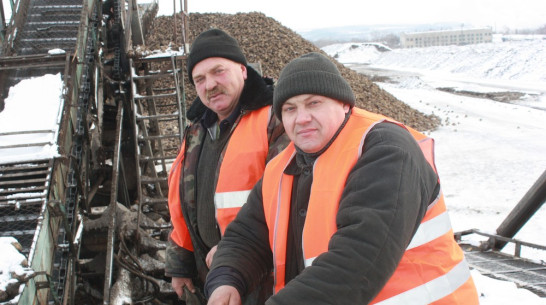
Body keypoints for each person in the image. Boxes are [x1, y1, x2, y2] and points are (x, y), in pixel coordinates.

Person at [204, 52, 480, 304]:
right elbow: (247, 234)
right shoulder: (283, 166)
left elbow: (357, 262)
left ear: (345, 105)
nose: (301, 118)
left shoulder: (386, 150)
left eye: (314, 103)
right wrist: (226, 279)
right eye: (290, 108)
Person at [166, 29, 288, 303]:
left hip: (260, 275)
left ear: (243, 71)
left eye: (218, 71)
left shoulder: (276, 120)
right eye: (200, 79)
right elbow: (182, 204)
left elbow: (288, 200)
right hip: (208, 273)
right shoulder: (197, 131)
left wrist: (233, 252)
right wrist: (180, 263)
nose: (210, 85)